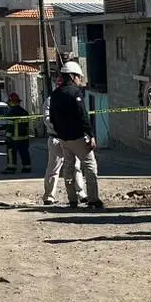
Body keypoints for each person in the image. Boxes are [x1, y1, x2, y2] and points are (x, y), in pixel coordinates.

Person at [49, 61, 104, 209]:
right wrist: (91, 135)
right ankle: (93, 199)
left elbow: (52, 117)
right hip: (78, 137)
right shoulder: (75, 93)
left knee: (68, 168)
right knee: (90, 166)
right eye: (79, 77)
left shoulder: (54, 94)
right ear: (73, 76)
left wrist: (60, 132)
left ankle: (72, 199)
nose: (80, 80)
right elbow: (83, 116)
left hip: (63, 138)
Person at [43, 65, 88, 207]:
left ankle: (80, 194)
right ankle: (49, 196)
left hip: (67, 137)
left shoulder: (63, 97)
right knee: (55, 168)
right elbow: (47, 119)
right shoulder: (52, 100)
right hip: (57, 138)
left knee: (75, 167)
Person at [4, 92, 32, 174]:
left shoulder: (10, 113)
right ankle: (27, 167)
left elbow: (9, 127)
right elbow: (26, 125)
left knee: (11, 152)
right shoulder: (24, 112)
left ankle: (11, 168)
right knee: (24, 153)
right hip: (24, 137)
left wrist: (7, 137)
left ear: (11, 102)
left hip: (14, 138)